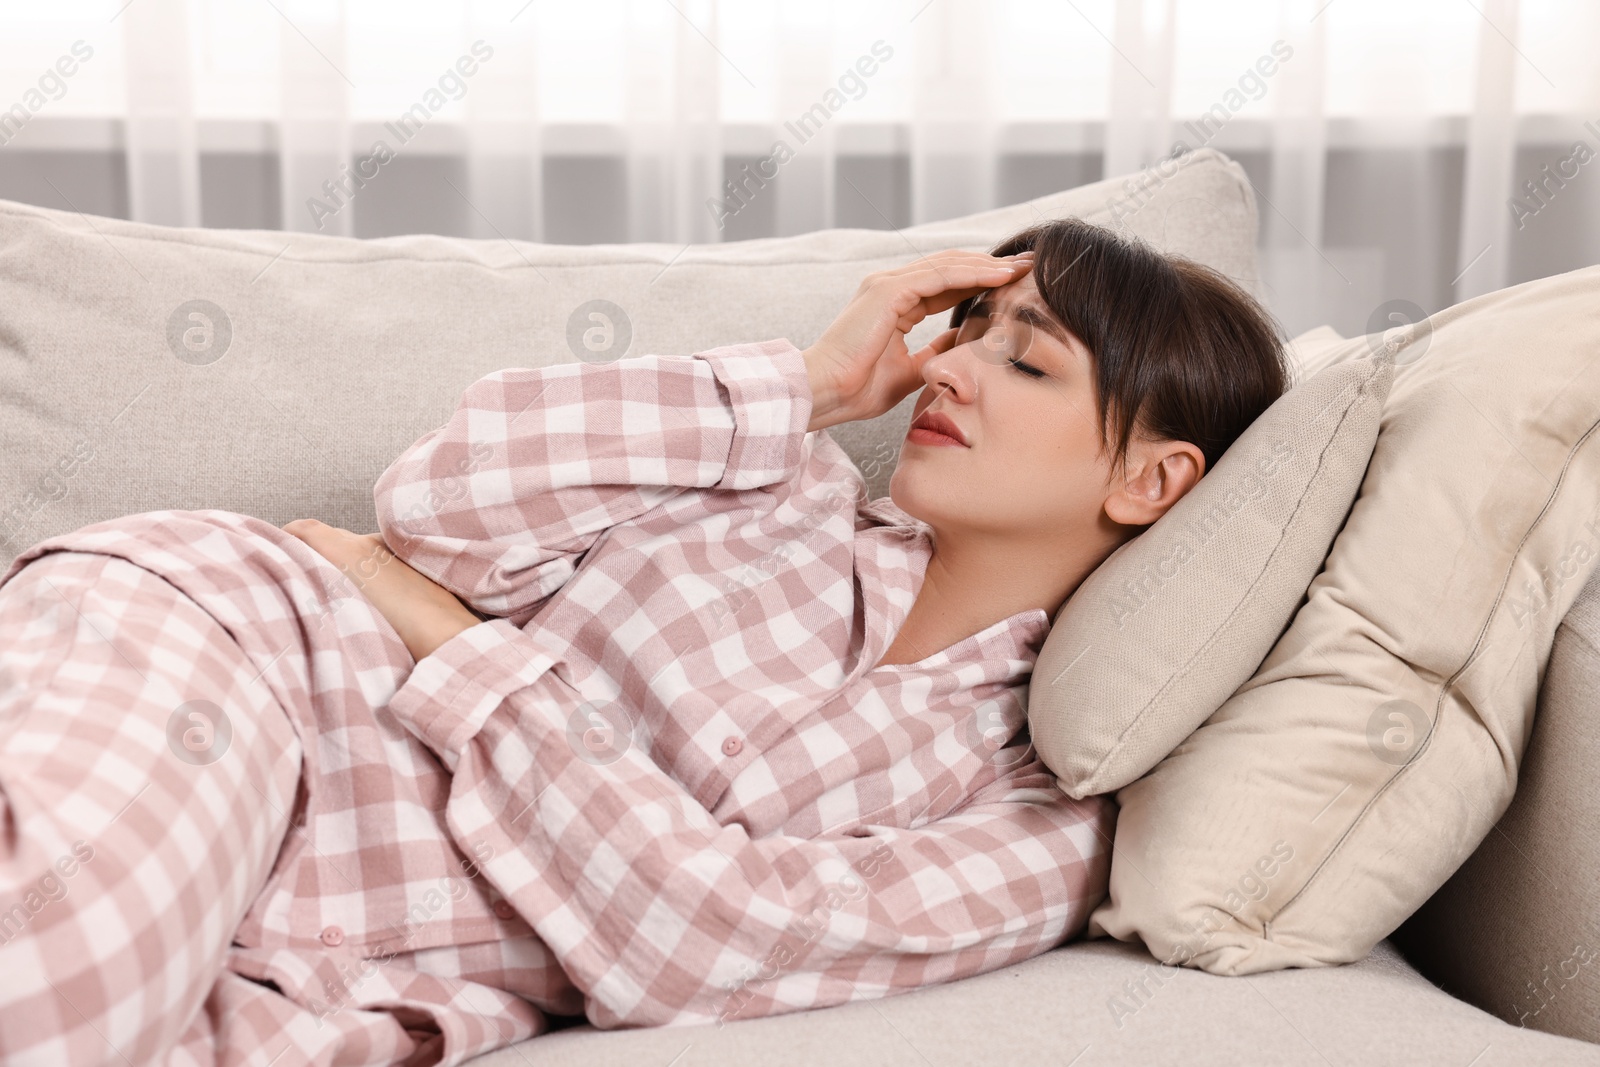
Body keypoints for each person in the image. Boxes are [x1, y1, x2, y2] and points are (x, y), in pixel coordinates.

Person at [0, 217, 1287, 1065]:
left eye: (1031, 364)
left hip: (341, 968)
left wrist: (462, 650)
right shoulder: (779, 480)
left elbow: (712, 942)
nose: (949, 371)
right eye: (967, 332)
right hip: (245, 665)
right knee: (54, 988)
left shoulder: (1042, 808)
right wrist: (813, 386)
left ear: (1151, 480)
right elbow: (442, 500)